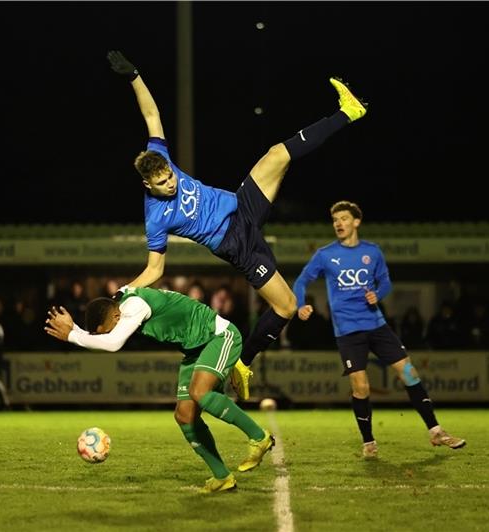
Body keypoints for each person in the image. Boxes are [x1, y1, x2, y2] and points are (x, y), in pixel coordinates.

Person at [107, 50, 367, 401]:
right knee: (287, 307)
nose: (170, 183)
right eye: (163, 183)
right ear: (147, 186)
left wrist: (134, 75)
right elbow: (155, 268)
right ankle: (243, 362)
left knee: (278, 154)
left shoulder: (160, 156)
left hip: (241, 205)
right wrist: (124, 291)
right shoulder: (155, 218)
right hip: (235, 242)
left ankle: (349, 111)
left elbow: (151, 114)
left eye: (170, 176)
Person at [44, 286, 275, 493]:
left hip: (218, 336)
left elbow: (112, 343)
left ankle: (259, 437)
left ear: (116, 315)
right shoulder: (122, 303)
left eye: (107, 329)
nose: (109, 334)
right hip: (195, 350)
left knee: (200, 393)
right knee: (185, 417)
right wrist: (73, 329)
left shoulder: (134, 306)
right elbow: (107, 335)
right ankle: (222, 477)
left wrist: (73, 335)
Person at [292, 201, 464, 458]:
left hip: (377, 325)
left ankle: (436, 431)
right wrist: (300, 305)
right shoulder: (325, 255)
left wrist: (377, 294)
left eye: (344, 219)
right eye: (335, 220)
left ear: (356, 222)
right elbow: (302, 280)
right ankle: (369, 443)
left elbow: (385, 282)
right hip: (348, 331)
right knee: (361, 387)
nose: (338, 223)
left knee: (409, 372)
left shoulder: (372, 252)